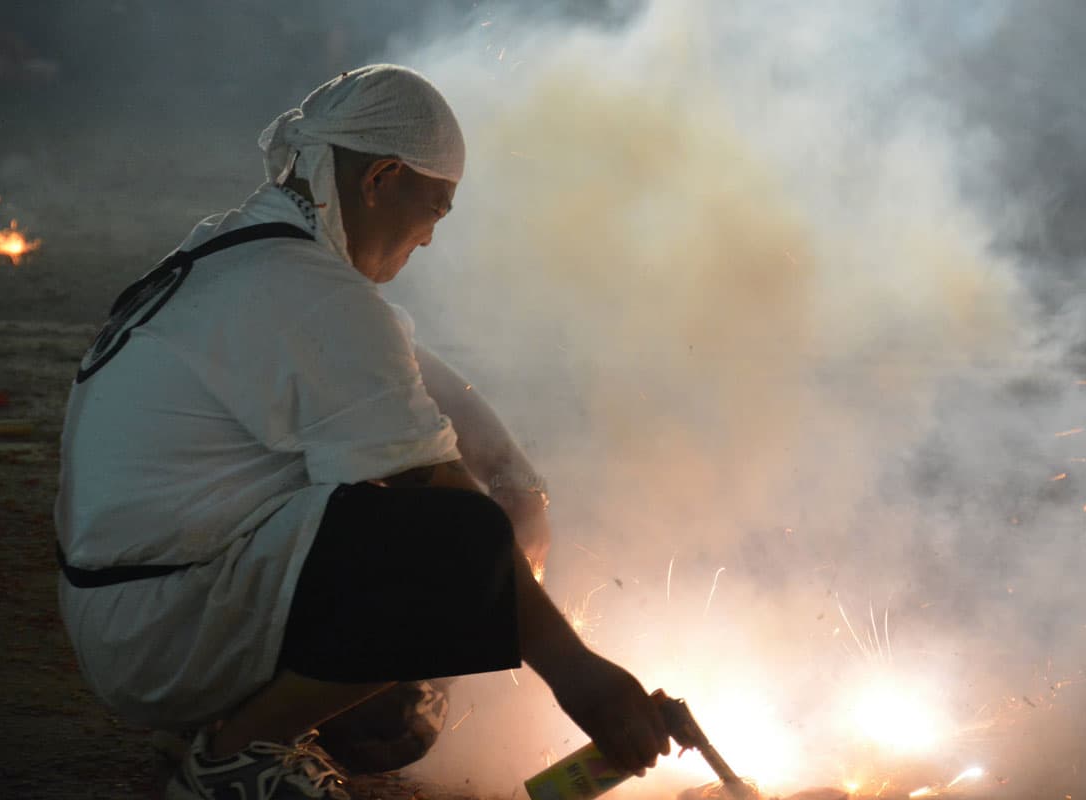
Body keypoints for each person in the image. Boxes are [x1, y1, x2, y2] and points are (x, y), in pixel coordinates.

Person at [55, 64, 670, 800]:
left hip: (137, 606)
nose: (432, 238)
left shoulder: (252, 251)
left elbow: (410, 365)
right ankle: (233, 758)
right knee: (455, 541)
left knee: (390, 709)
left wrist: (516, 481)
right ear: (380, 179)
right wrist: (585, 680)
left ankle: (236, 720)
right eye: (436, 208)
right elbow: (456, 523)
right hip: (160, 630)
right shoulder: (309, 290)